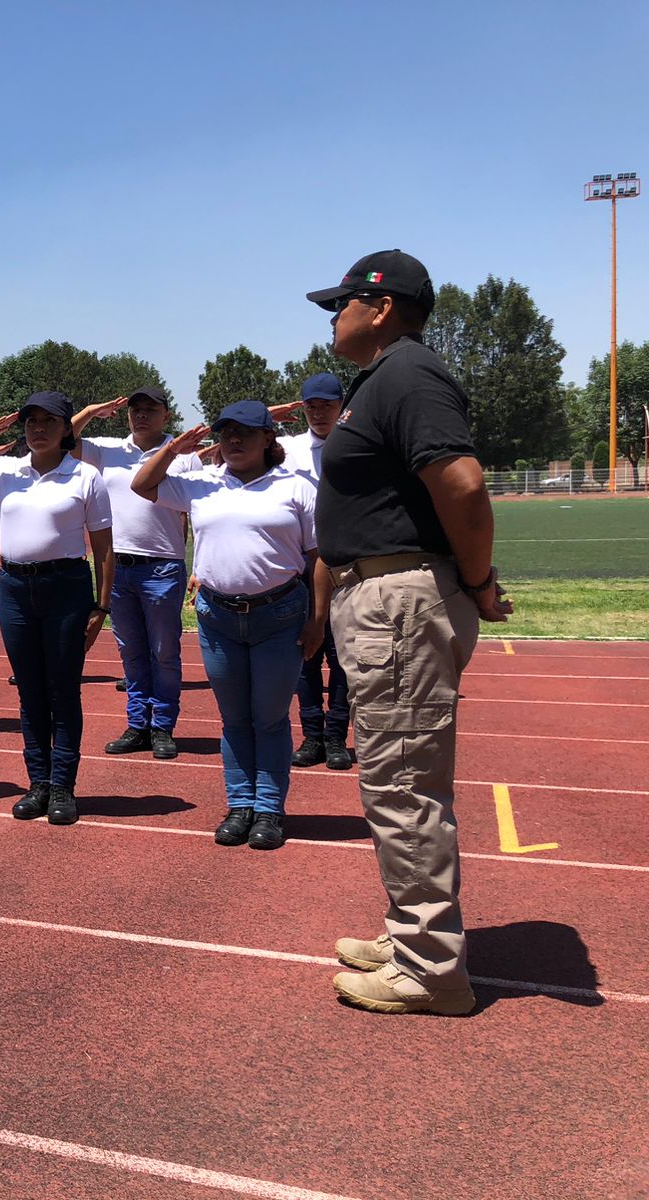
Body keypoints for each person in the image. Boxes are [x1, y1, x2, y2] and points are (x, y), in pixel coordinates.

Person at [306, 249, 510, 1016]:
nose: (335, 315)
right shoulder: (387, 378)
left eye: (343, 302)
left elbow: (462, 483)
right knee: (395, 778)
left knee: (402, 784)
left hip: (397, 599)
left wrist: (481, 582)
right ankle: (412, 934)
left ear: (381, 305)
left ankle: (430, 969)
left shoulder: (409, 375)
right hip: (383, 595)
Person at [132, 401, 317, 851]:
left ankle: (269, 809)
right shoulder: (201, 484)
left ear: (269, 438)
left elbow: (318, 558)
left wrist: (318, 619)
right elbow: (142, 483)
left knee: (269, 719)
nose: (234, 440)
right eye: (227, 432)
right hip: (218, 618)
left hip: (279, 615)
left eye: (246, 432)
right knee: (234, 719)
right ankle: (240, 806)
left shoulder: (297, 487)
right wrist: (175, 448)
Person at [0, 392, 113, 826]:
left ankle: (64, 786)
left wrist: (101, 606)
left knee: (62, 690)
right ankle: (39, 783)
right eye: (31, 420)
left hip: (65, 587)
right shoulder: (2, 469)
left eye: (50, 421)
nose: (39, 429)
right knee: (30, 691)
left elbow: (104, 550)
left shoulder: (85, 477)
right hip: (14, 589)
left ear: (68, 428)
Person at [69, 386, 200, 761]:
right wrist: (93, 407)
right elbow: (65, 438)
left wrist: (198, 564)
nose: (141, 415)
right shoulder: (107, 450)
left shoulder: (184, 455)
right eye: (135, 409)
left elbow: (197, 512)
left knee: (163, 650)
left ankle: (163, 726)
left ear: (166, 414)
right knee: (130, 653)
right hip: (118, 565)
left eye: (150, 409)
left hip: (161, 564)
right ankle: (137, 723)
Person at [281, 373, 352, 771]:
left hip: (345, 566)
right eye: (311, 405)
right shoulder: (288, 449)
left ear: (341, 404)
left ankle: (336, 736)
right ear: (302, 406)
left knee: (341, 658)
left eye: (326, 404)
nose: (319, 412)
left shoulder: (358, 444)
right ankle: (311, 736)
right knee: (305, 657)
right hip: (301, 568)